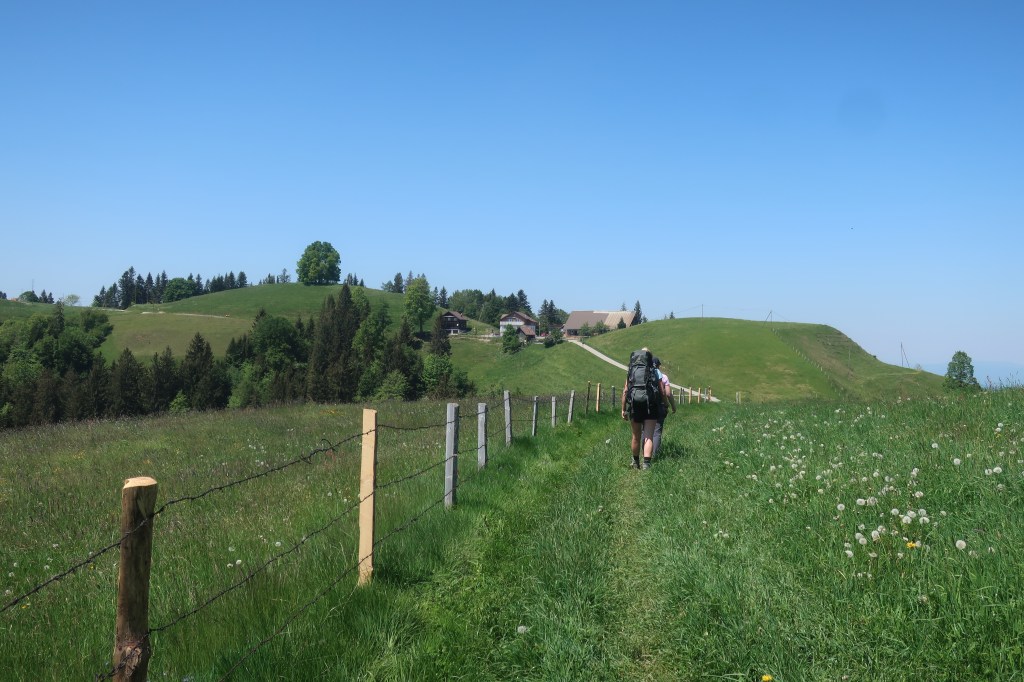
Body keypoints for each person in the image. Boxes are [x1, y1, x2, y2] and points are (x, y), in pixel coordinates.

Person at [621, 347, 659, 470]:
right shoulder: (653, 370)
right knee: (648, 435)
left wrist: (623, 409)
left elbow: (625, 391)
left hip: (634, 405)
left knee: (635, 436)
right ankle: (646, 464)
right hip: (650, 406)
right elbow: (661, 391)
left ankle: (635, 462)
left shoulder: (632, 371)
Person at [651, 357, 677, 457]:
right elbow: (668, 393)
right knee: (657, 432)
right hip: (660, 406)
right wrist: (672, 406)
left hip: (647, 406)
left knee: (646, 431)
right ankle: (655, 455)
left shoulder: (646, 376)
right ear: (659, 365)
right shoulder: (663, 377)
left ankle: (645, 455)